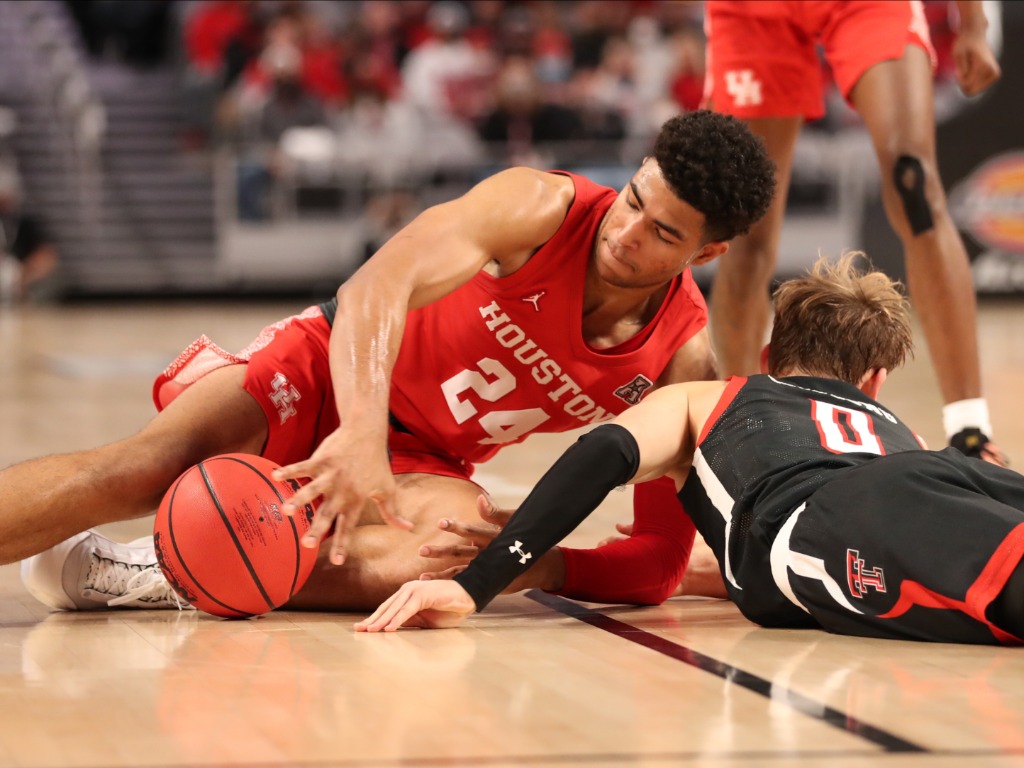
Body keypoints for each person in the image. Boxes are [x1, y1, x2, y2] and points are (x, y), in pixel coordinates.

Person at [15, 109, 775, 613]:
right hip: (325, 366)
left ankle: (159, 572)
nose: (627, 232)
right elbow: (377, 284)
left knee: (450, 558)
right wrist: (360, 437)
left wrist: (530, 558)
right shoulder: (538, 208)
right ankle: (189, 540)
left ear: (708, 252)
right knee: (137, 472)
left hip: (428, 455)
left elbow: (655, 566)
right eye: (635, 197)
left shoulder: (681, 360)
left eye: (663, 233)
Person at [356, 253, 1024, 646]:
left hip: (833, 515)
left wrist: (477, 586)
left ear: (767, 358)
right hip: (945, 474)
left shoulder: (714, 395)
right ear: (875, 382)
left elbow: (604, 453)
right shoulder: (893, 430)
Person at [701, 0, 1006, 464]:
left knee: (913, 182)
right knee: (745, 219)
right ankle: (737, 430)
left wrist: (974, 23)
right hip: (754, 14)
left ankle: (969, 428)